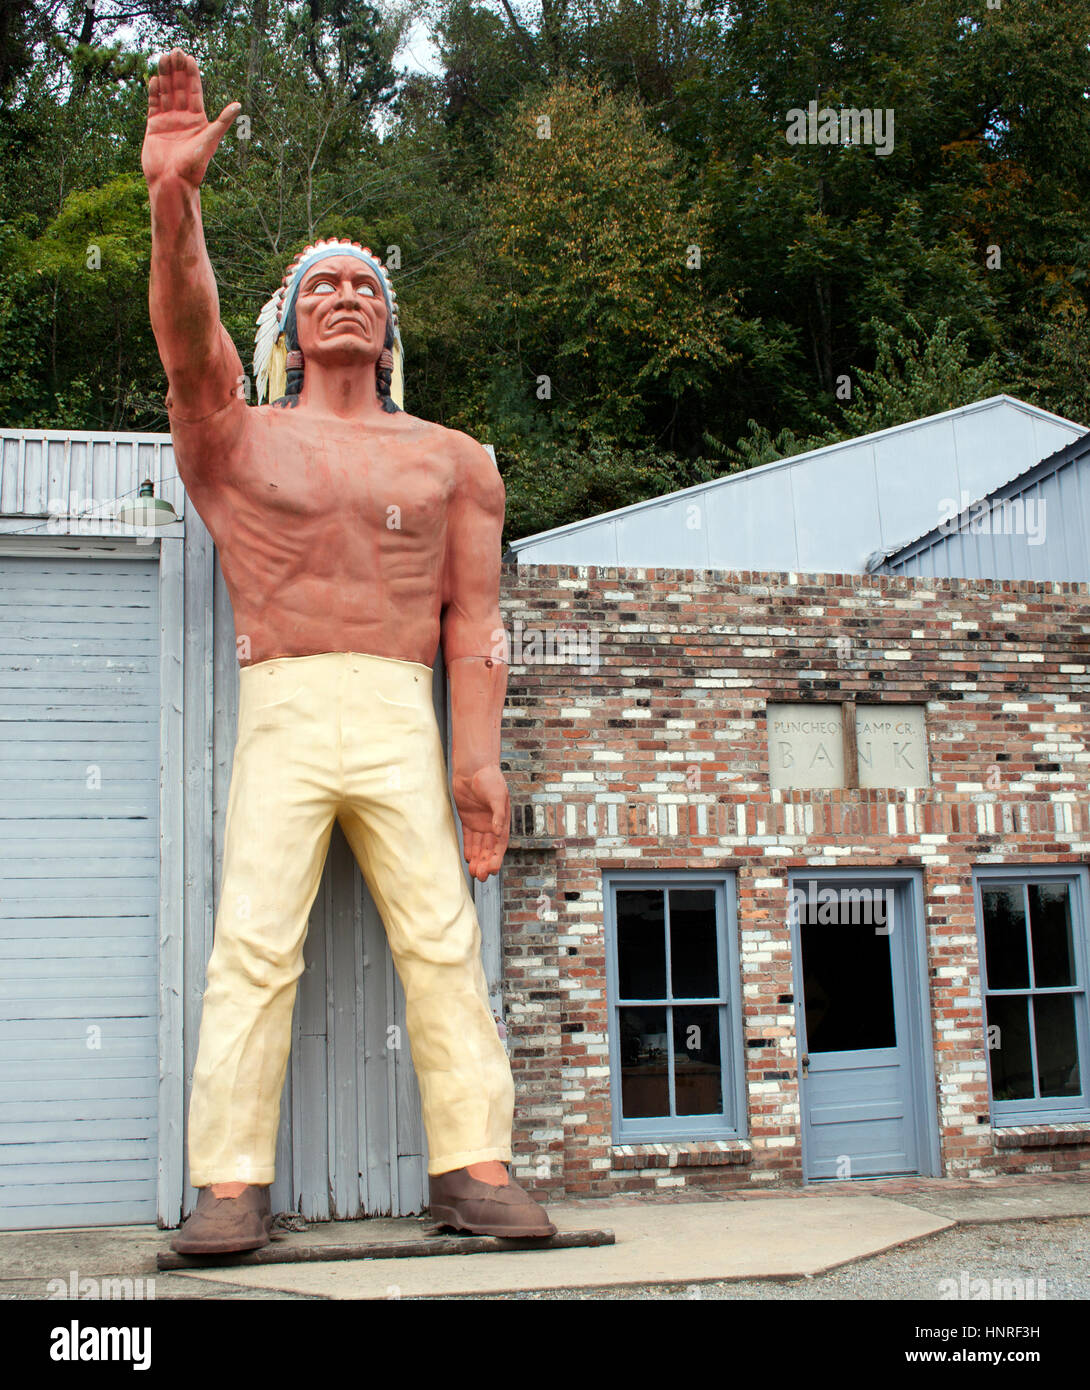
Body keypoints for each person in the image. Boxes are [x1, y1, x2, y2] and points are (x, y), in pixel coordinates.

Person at [141, 47, 555, 1252]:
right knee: (253, 943)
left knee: (442, 939)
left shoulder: (452, 460)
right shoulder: (236, 436)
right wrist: (175, 208)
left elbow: (474, 620)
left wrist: (475, 761)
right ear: (285, 320)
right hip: (280, 698)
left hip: (397, 705)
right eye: (319, 283)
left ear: (389, 325)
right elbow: (186, 338)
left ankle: (475, 1166)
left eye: (364, 285)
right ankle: (229, 1186)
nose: (343, 295)